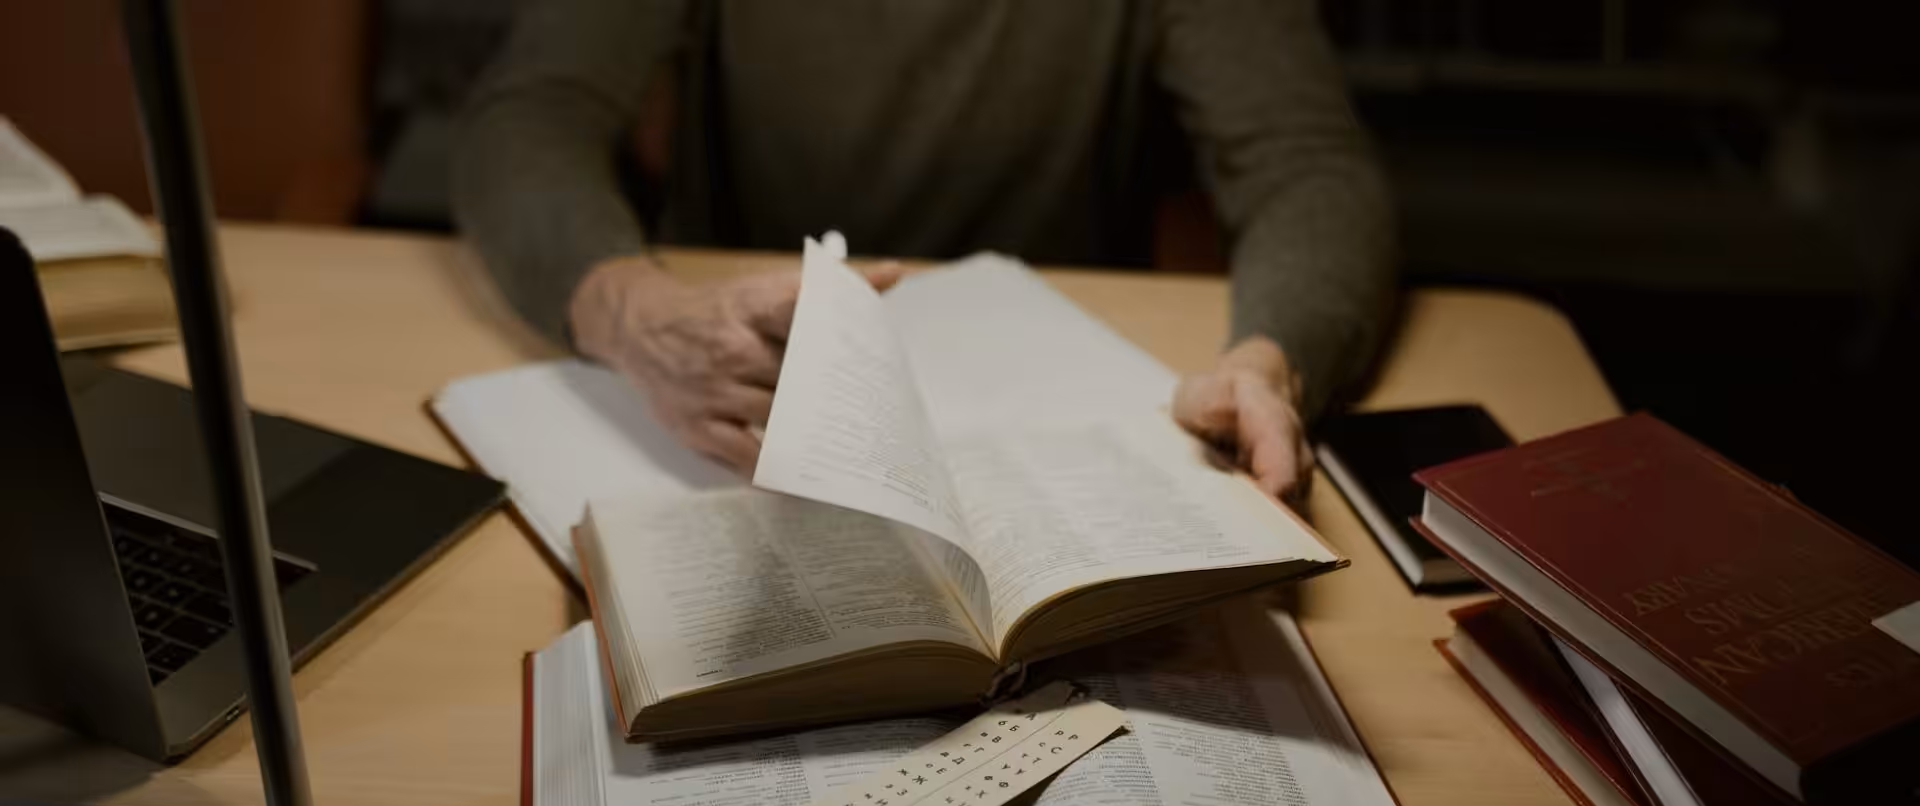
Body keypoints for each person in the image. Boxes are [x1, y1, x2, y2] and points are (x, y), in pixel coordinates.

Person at [454, 0, 1394, 501]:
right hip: (740, 419)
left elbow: (1308, 166)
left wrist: (1268, 362)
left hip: (1057, 436)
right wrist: (637, 317)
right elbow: (530, 114)